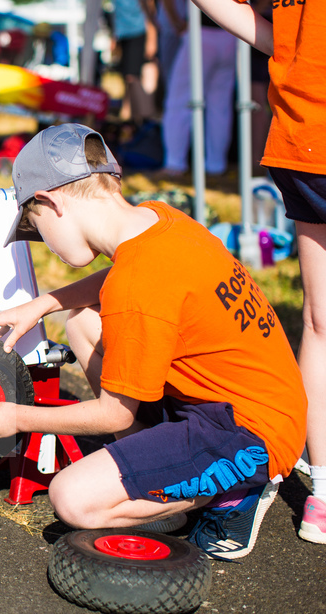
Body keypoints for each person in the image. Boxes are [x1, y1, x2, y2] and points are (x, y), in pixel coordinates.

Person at [0, 123, 306, 559]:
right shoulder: (158, 219)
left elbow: (111, 412)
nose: (46, 245)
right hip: (258, 399)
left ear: (53, 202)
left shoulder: (136, 288)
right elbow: (124, 277)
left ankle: (235, 491)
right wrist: (42, 304)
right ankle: (153, 458)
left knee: (73, 499)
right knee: (82, 323)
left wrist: (17, 417)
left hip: (251, 434)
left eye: (36, 228)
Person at [190, 0, 326, 545]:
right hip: (302, 133)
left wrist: (289, 49)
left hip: (302, 131)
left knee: (320, 324)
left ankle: (322, 493)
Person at [159, 6, 236, 177]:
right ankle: (216, 164)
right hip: (231, 36)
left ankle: (174, 163)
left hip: (202, 32)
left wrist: (177, 23)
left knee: (179, 102)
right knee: (220, 106)